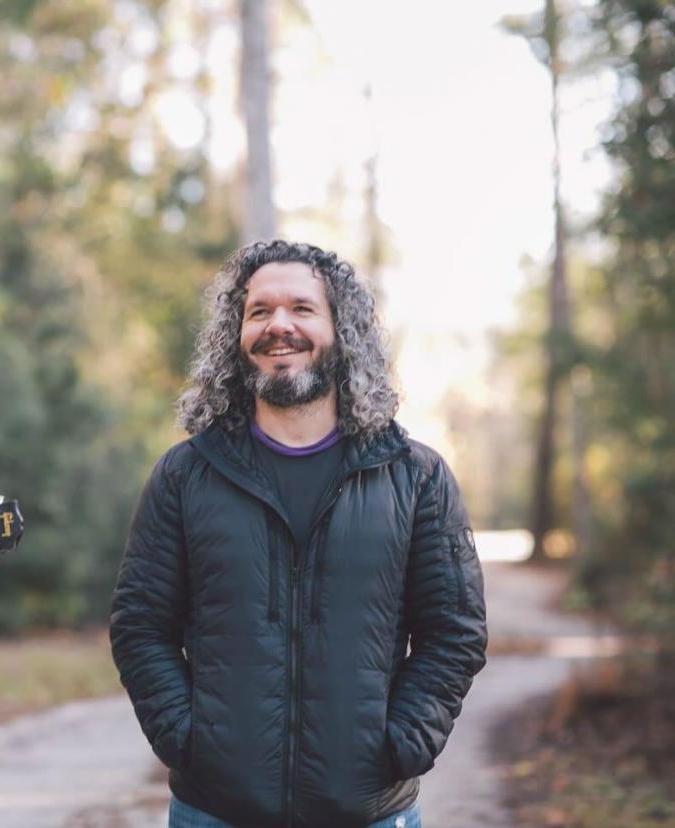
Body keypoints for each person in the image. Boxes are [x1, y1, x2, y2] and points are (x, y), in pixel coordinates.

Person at [110, 240, 487, 828]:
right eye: (259, 311)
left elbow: (453, 631)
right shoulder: (185, 475)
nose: (278, 325)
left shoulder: (416, 477)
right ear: (235, 337)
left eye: (301, 308)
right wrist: (188, 741)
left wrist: (402, 744)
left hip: (370, 813)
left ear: (342, 329)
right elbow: (141, 625)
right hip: (215, 812)